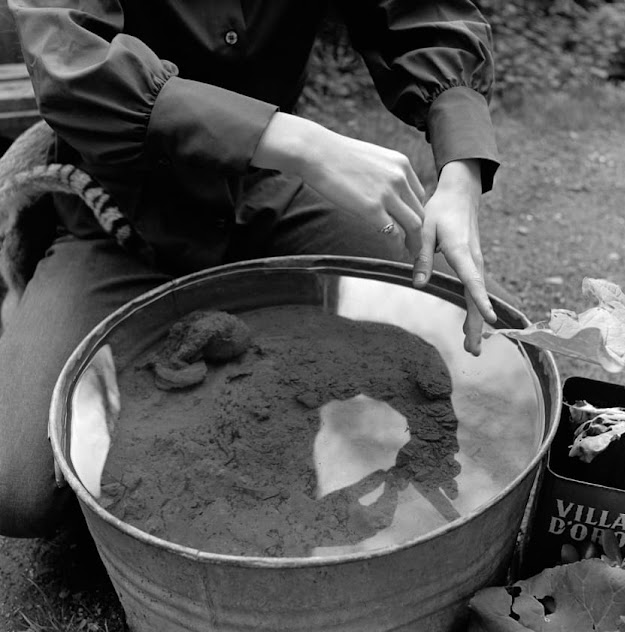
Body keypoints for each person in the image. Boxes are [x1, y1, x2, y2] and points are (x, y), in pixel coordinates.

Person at [0, 0, 502, 538]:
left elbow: (418, 11)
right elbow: (72, 62)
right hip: (114, 210)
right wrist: (303, 143)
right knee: (19, 492)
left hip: (264, 192)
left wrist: (461, 168)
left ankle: (260, 367)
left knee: (457, 327)